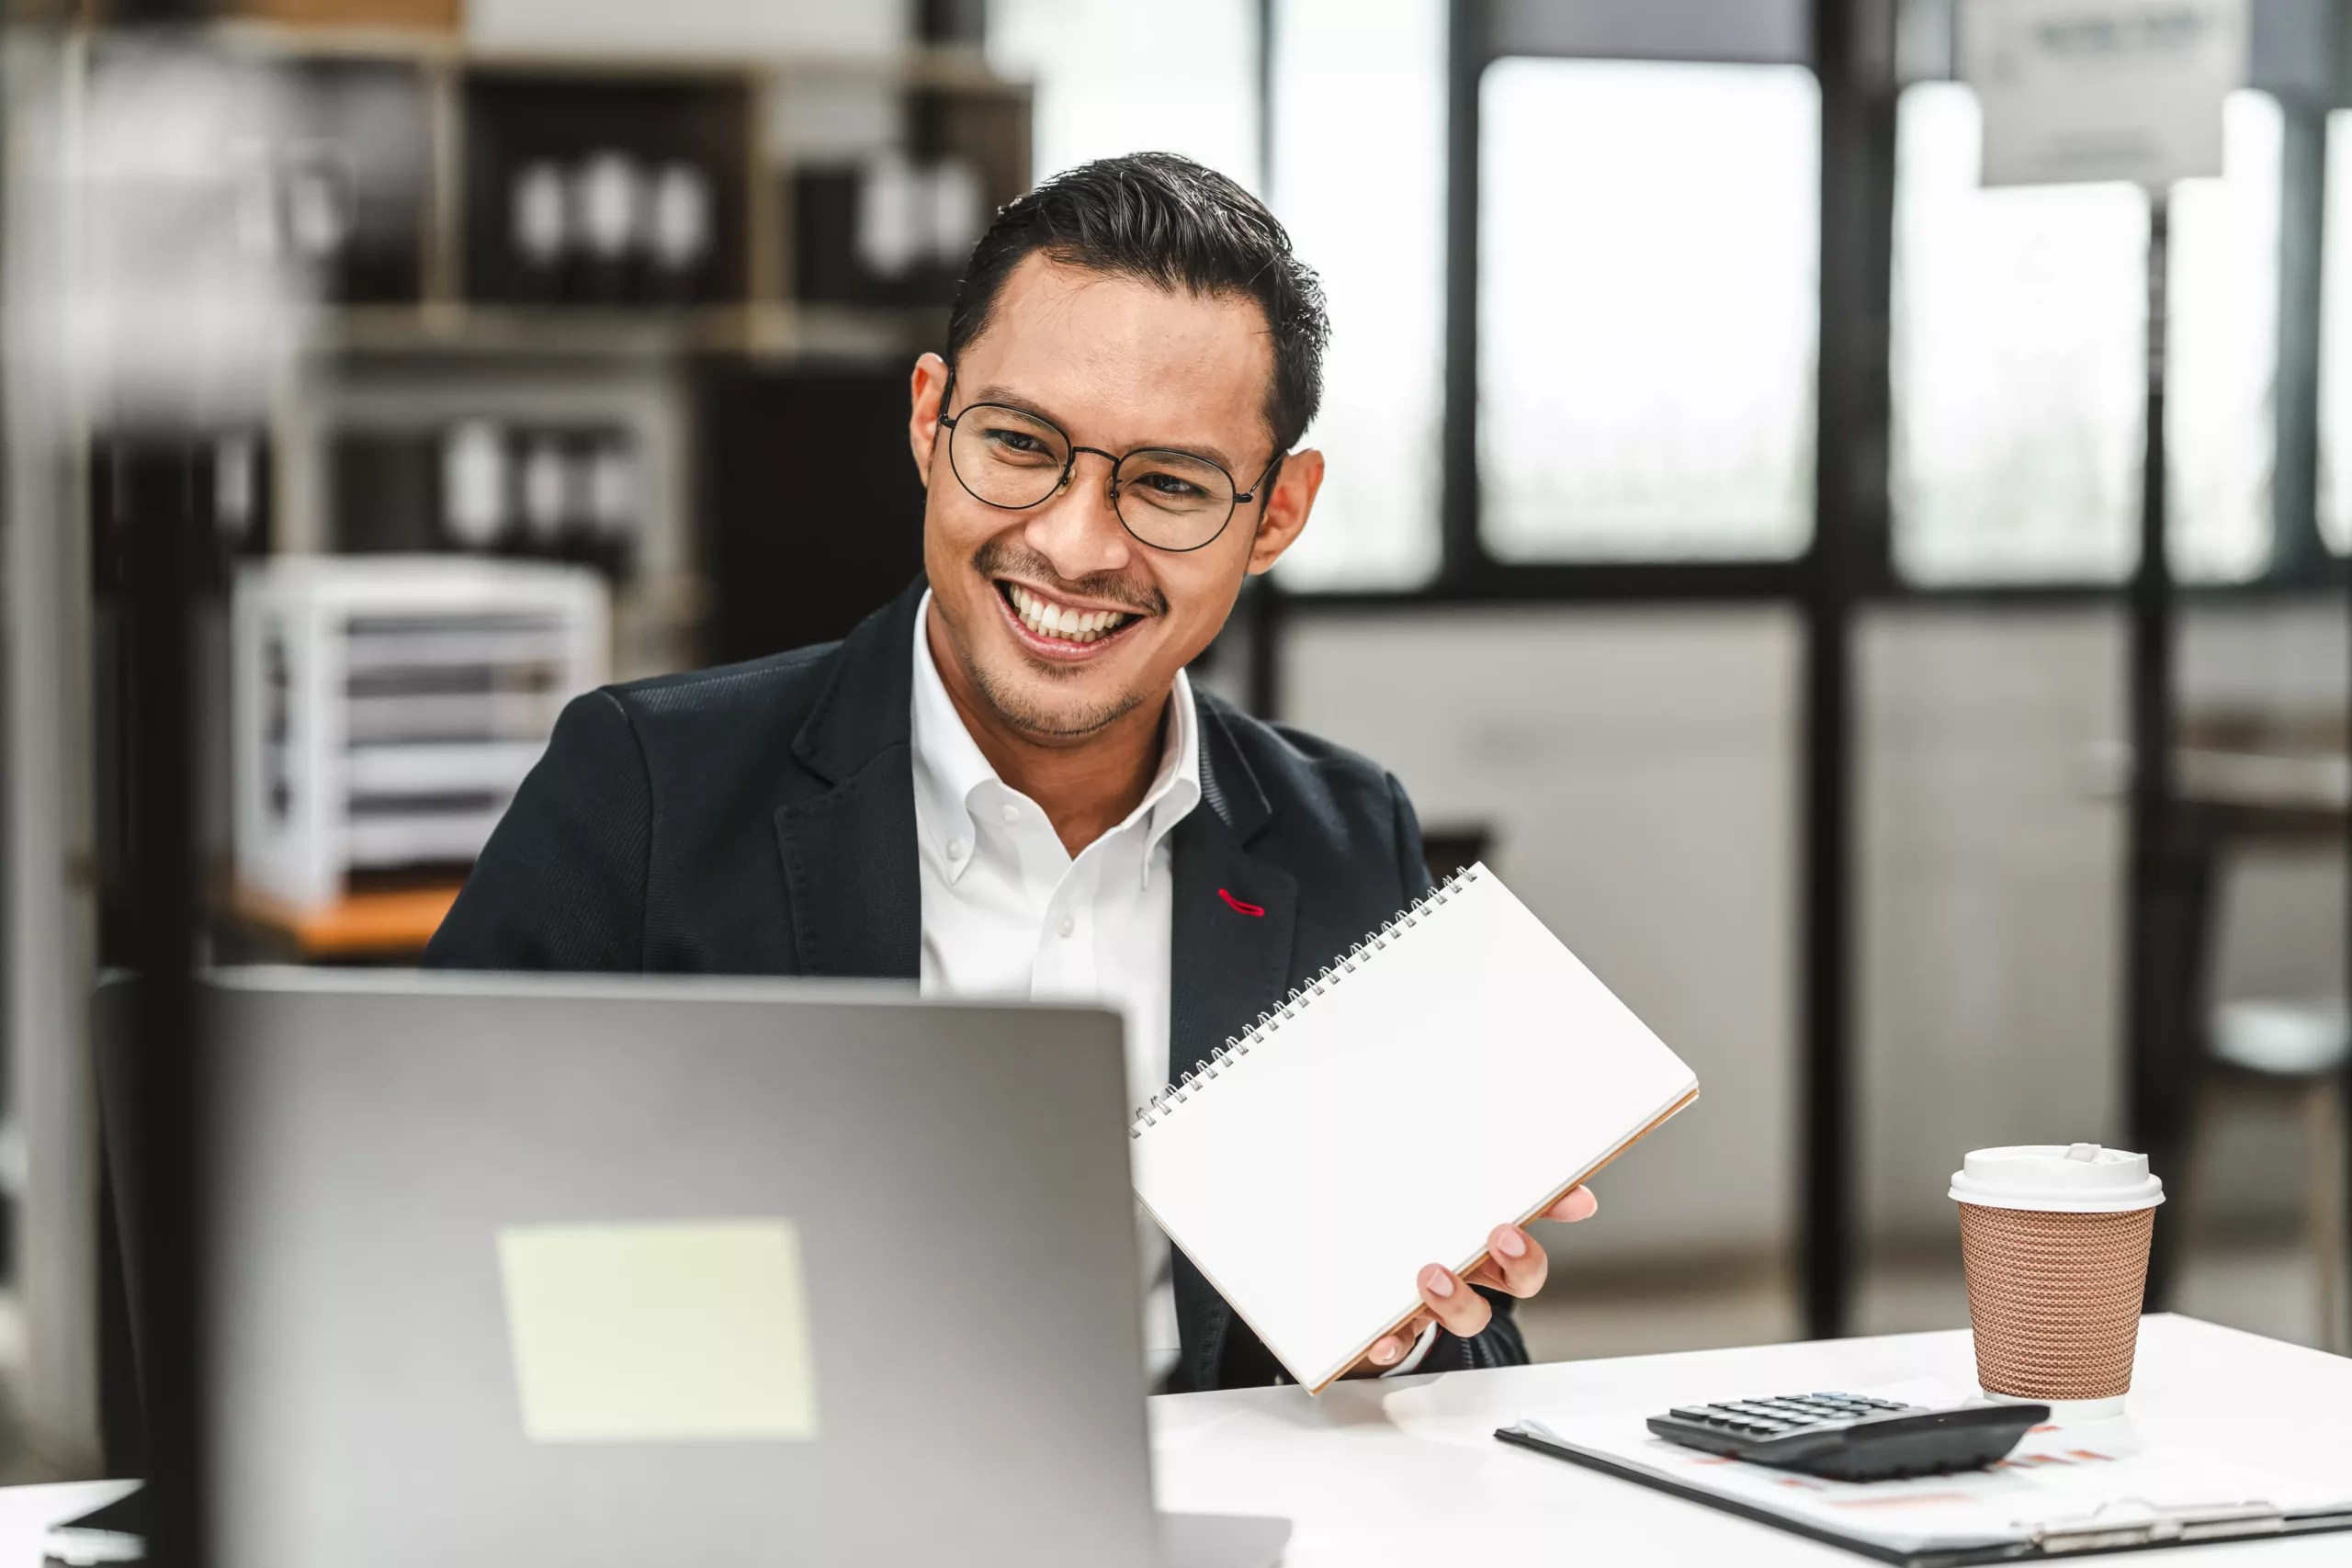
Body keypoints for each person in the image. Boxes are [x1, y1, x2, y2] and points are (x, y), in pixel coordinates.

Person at [425, 152, 1597, 1391]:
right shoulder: (651, 786)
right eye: (1023, 444)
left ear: (1279, 514)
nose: (1075, 546)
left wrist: (1397, 1330)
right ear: (931, 420)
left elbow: (1476, 1343)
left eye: (1170, 485)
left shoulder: (1346, 836)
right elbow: (421, 1221)